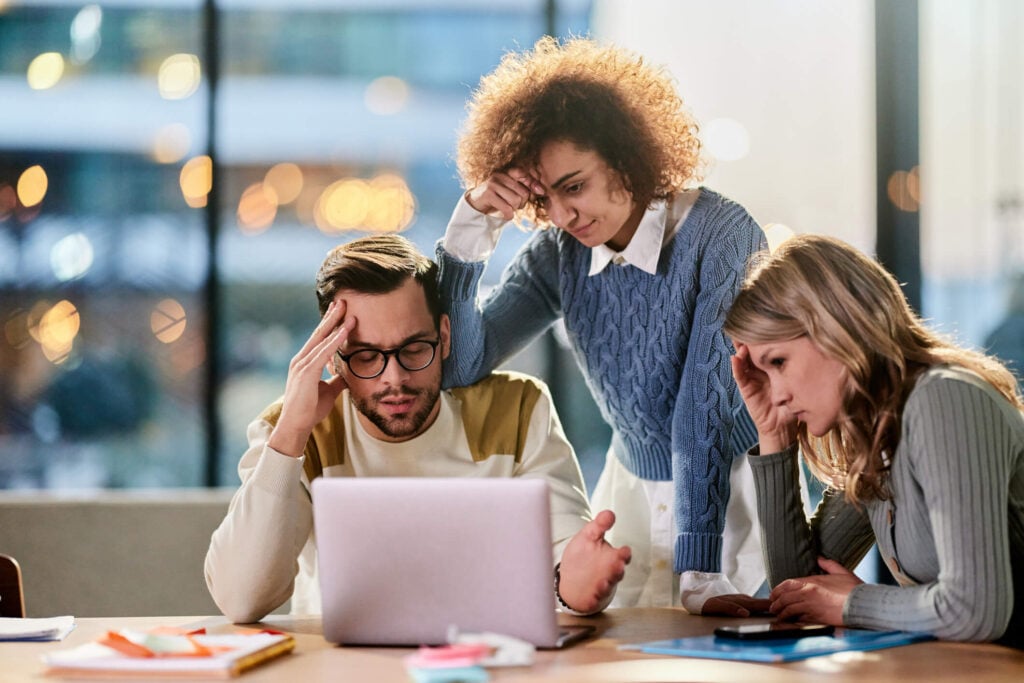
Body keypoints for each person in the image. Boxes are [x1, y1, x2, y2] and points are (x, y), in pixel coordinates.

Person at [436, 36, 768, 615]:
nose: (563, 215)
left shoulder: (722, 236)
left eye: (575, 187)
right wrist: (473, 226)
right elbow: (461, 363)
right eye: (545, 198)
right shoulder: (558, 252)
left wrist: (700, 569)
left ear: (626, 156)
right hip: (628, 493)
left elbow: (702, 414)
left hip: (727, 500)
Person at [205, 235, 631, 624]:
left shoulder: (518, 408)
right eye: (367, 356)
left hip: (490, 664)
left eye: (413, 349)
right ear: (333, 358)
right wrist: (290, 437)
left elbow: (568, 563)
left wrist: (578, 588)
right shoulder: (294, 428)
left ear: (444, 337)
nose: (394, 379)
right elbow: (241, 600)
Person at [725, 234, 1024, 647]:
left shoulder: (945, 399)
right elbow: (799, 590)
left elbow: (974, 611)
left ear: (834, 326)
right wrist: (774, 435)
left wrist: (854, 602)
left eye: (779, 362)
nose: (777, 394)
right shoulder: (878, 435)